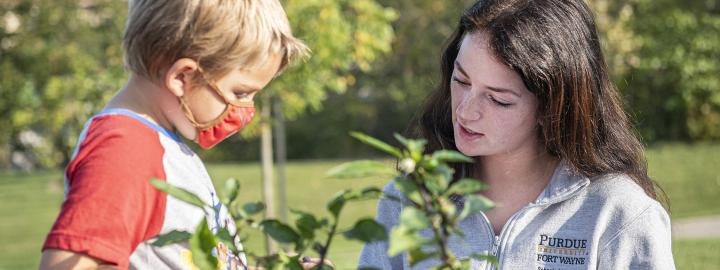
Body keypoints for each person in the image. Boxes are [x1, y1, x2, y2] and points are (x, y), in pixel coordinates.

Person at [359, 0, 675, 269]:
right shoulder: (409, 198)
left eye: (498, 99)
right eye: (462, 80)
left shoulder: (619, 214)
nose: (466, 111)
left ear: (552, 106)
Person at [38, 0, 313, 269]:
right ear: (182, 77)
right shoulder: (127, 150)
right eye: (240, 93)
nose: (245, 110)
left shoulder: (161, 142)